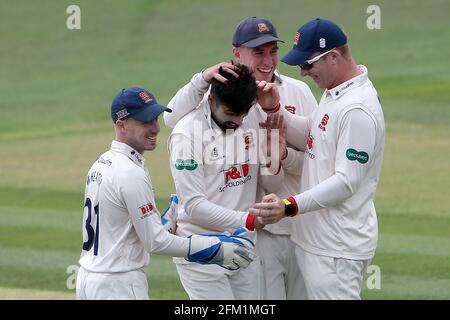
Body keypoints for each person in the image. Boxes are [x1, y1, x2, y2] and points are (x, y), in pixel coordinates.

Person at [164, 16, 318, 300]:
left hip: (291, 225)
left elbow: (308, 159)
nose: (268, 60)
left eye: (273, 51)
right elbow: (171, 118)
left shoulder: (296, 91)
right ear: (236, 53)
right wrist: (201, 79)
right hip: (250, 234)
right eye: (258, 51)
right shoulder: (217, 96)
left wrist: (277, 150)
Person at [75, 87, 255, 300]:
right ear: (121, 125)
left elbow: (119, 228)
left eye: (155, 119)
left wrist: (161, 222)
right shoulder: (130, 173)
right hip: (119, 283)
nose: (155, 128)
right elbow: (156, 242)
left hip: (89, 278)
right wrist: (216, 249)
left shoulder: (102, 162)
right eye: (145, 122)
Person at [250, 18, 386, 300]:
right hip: (319, 243)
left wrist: (289, 206)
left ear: (333, 57)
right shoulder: (335, 93)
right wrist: (275, 108)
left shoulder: (356, 109)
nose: (302, 72)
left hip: (336, 248)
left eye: (308, 64)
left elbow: (346, 182)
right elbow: (313, 134)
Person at [167, 65, 286, 300]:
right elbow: (194, 206)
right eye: (231, 114)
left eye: (243, 113)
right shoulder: (187, 134)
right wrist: (249, 220)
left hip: (244, 245)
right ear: (211, 101)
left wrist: (273, 155)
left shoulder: (249, 118)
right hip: (202, 251)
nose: (238, 121)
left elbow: (271, 184)